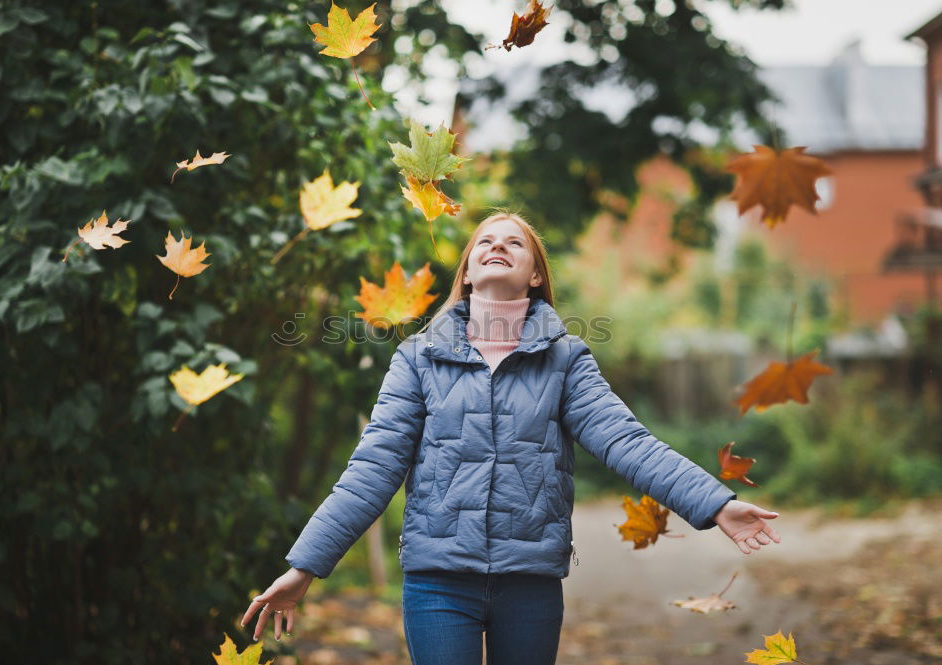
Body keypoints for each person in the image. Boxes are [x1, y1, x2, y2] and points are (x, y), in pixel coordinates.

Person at [241, 210, 782, 663]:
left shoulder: (566, 360)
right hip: (437, 580)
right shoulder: (418, 358)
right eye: (485, 242)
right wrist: (304, 567)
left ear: (535, 275)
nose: (497, 245)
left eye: (514, 242)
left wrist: (716, 504)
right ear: (469, 272)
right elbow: (372, 470)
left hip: (531, 582)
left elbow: (628, 442)